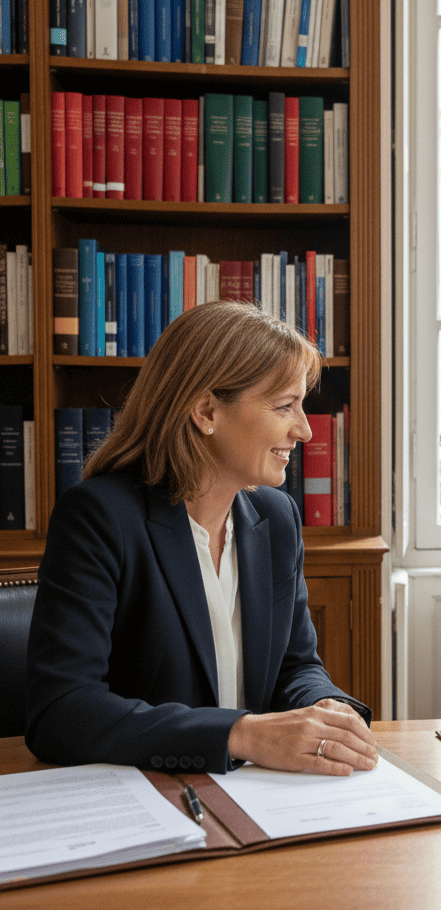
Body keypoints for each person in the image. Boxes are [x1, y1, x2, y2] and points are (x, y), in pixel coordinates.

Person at [26, 301, 378, 776]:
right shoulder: (99, 517)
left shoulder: (276, 518)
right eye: (283, 406)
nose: (305, 429)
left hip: (257, 797)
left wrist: (327, 708)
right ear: (207, 411)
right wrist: (241, 733)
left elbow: (297, 667)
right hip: (150, 799)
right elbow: (61, 711)